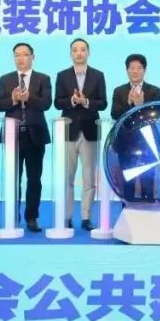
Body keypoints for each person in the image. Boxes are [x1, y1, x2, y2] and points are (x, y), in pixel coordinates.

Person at [0, 43, 52, 232]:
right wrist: (13, 100)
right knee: (13, 179)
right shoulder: (5, 79)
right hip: (13, 135)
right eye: (17, 55)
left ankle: (32, 217)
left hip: (35, 135)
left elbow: (46, 104)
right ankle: (13, 216)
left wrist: (29, 98)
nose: (21, 58)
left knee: (34, 179)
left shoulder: (43, 78)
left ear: (32, 57)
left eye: (25, 54)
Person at [54, 38, 107, 231]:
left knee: (89, 178)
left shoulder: (98, 75)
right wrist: (71, 100)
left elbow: (103, 103)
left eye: (83, 49)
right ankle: (67, 216)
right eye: (75, 50)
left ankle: (86, 217)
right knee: (67, 177)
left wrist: (85, 102)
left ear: (88, 53)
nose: (79, 53)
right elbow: (57, 102)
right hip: (69, 131)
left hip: (90, 131)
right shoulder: (62, 75)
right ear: (71, 53)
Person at [111, 53, 160, 201]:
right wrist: (129, 104)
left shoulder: (154, 90)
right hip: (126, 143)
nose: (135, 71)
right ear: (127, 70)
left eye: (139, 68)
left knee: (148, 182)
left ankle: (148, 213)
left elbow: (156, 115)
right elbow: (115, 114)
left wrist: (141, 105)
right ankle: (127, 213)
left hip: (148, 143)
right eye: (132, 68)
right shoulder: (119, 91)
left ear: (144, 70)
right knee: (128, 183)